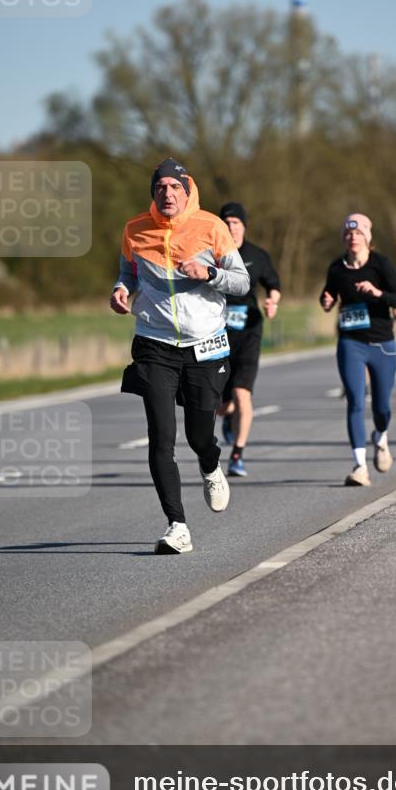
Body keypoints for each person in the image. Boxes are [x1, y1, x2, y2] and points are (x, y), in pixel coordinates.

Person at [111, 158, 249, 554]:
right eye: (161, 188)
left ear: (187, 192)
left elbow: (241, 283)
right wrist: (121, 289)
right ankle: (177, 525)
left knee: (199, 435)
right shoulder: (135, 229)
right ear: (153, 192)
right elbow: (129, 272)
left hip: (204, 345)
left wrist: (210, 274)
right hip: (154, 344)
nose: (167, 194)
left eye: (175, 187)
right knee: (161, 436)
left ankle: (210, 464)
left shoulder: (211, 227)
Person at [321, 213, 396, 486]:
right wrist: (326, 300)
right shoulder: (337, 268)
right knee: (356, 401)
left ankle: (380, 435)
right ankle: (359, 466)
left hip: (382, 343)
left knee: (382, 407)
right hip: (351, 342)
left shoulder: (380, 264)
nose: (353, 237)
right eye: (348, 233)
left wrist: (377, 293)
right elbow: (328, 294)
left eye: (358, 233)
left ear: (367, 237)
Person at [216, 202, 282, 477]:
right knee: (221, 406)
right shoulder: (211, 254)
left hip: (248, 334)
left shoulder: (257, 255)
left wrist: (272, 302)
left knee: (243, 394)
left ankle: (237, 455)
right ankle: (228, 414)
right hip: (216, 337)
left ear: (244, 226)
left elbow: (273, 284)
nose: (231, 227)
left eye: (236, 223)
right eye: (226, 223)